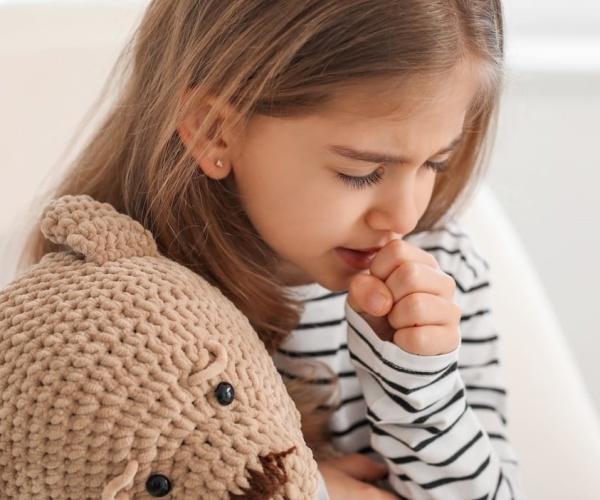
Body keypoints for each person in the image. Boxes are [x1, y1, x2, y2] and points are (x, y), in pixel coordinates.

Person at [21, 0, 522, 498]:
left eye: (434, 163)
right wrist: (292, 489)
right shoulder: (118, 309)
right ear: (214, 131)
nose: (404, 216)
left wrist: (421, 387)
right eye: (361, 172)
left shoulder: (444, 268)